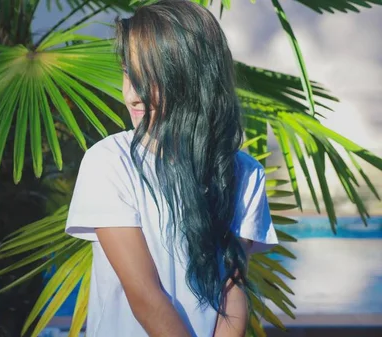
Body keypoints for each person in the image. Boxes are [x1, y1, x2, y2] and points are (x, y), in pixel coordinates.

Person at [64, 1, 278, 336]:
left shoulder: (243, 172)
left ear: (193, 79)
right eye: (127, 73)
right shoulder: (109, 161)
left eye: (149, 78)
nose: (132, 95)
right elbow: (146, 298)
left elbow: (233, 291)